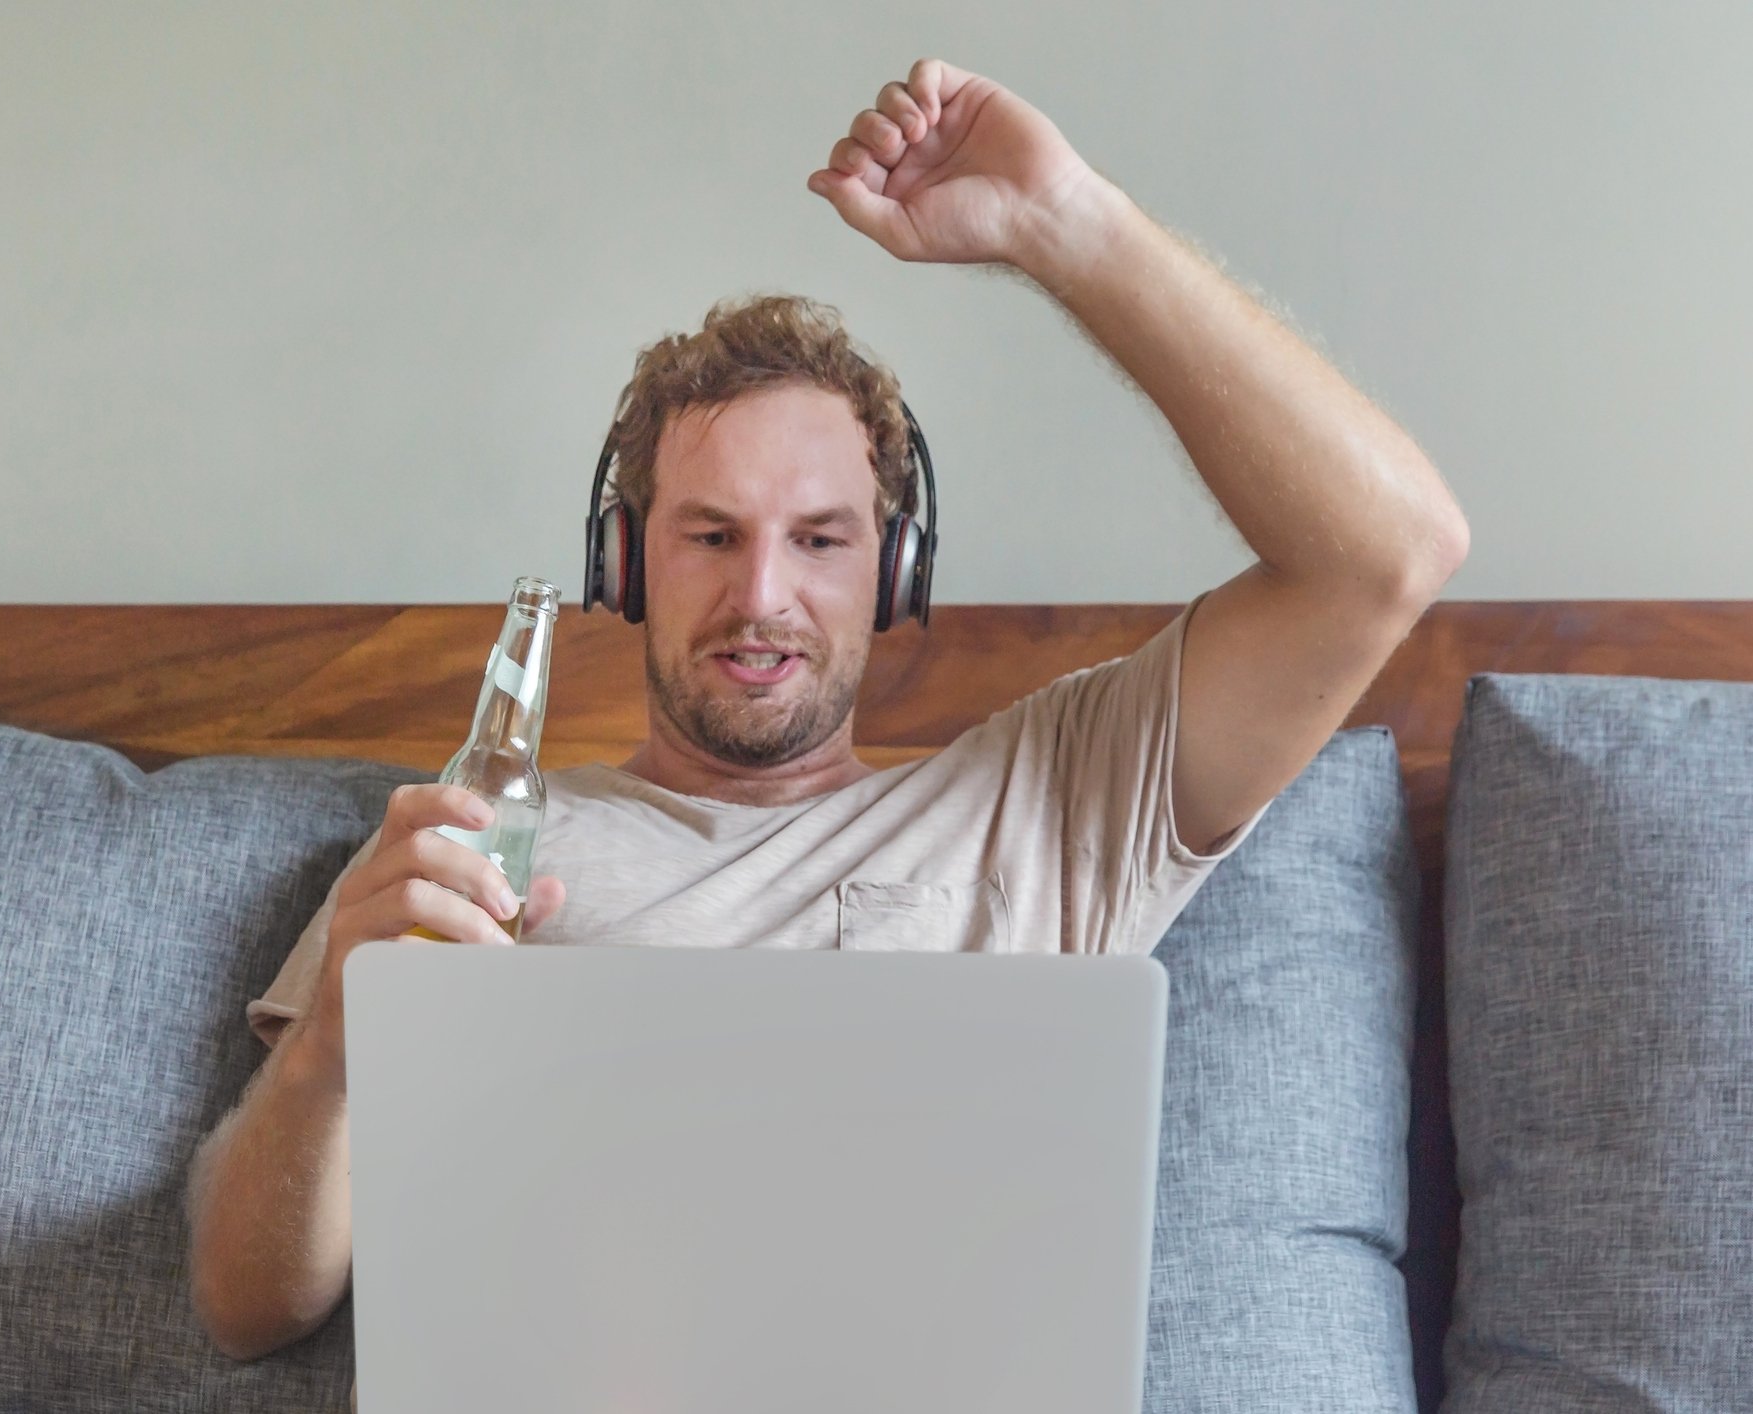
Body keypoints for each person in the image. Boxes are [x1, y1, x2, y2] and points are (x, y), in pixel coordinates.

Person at [185, 56, 1471, 1383]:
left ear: (894, 569)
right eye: (708, 535)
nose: (760, 595)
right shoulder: (470, 845)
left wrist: (1064, 225)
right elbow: (242, 1300)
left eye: (817, 537)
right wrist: (335, 1047)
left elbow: (1385, 552)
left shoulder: (1054, 799)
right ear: (622, 565)